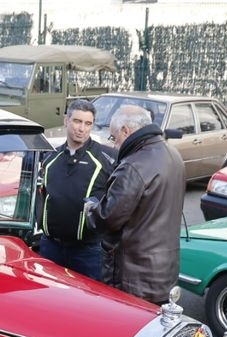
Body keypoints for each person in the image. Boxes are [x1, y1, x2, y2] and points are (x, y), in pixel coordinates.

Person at [84, 104, 185, 305]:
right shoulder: (173, 155)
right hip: (164, 270)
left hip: (134, 276)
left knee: (127, 331)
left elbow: (108, 218)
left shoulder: (133, 165)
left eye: (114, 138)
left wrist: (91, 208)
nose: (113, 145)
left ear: (126, 131)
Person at [36, 100, 115, 280]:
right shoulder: (50, 156)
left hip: (88, 252)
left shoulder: (107, 158)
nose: (82, 129)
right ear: (66, 121)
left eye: (88, 123)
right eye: (77, 121)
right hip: (51, 246)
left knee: (88, 305)